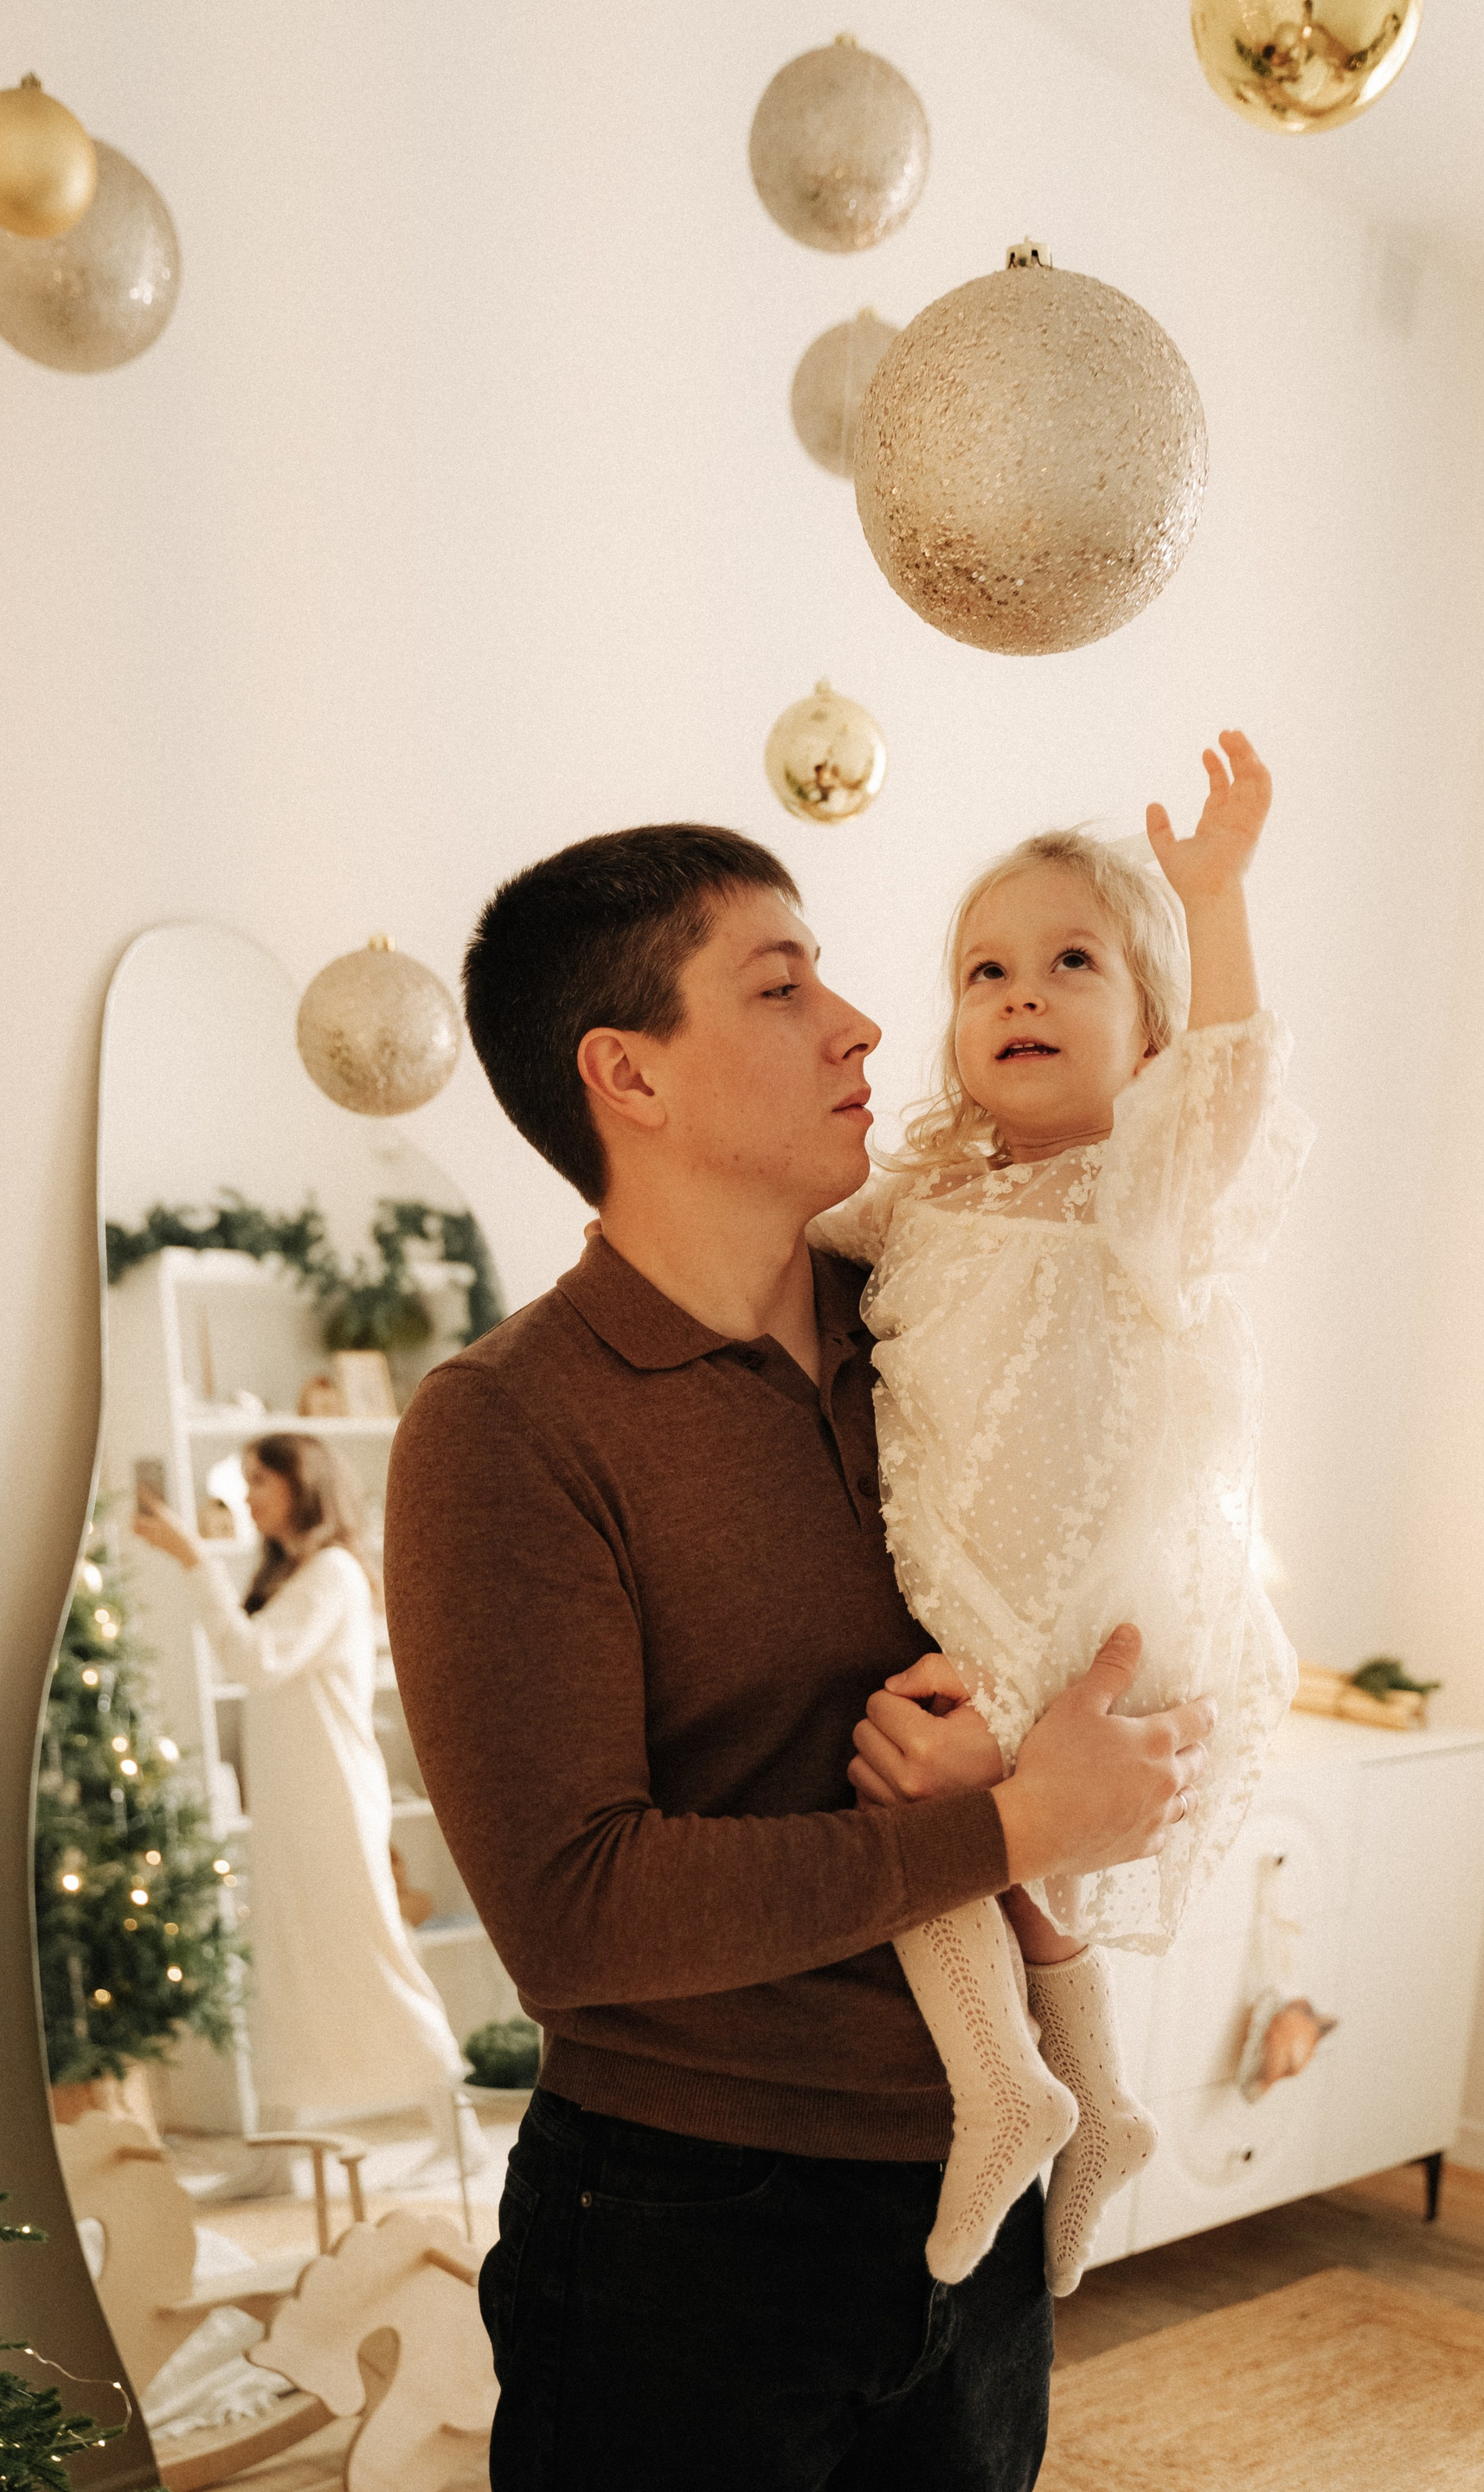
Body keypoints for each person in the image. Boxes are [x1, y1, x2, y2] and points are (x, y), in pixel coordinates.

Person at [382, 824, 1217, 2492]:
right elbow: (574, 1914)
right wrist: (1009, 1827)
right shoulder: (506, 1428)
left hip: (981, 2207)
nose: (862, 1024)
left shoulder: (945, 1303)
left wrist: (1095, 1776)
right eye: (782, 987)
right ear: (628, 1074)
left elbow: (1144, 1561)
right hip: (685, 2235)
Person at [809, 731, 1312, 2296]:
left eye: (1071, 963)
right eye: (987, 973)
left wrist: (1211, 899)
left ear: (1146, 1026)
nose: (1020, 995)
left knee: (924, 1807)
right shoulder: (923, 1195)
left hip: (1090, 1606)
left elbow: (1226, 1091)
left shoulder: (1141, 1187)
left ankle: (1010, 2091)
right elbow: (788, 1230)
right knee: (975, 1834)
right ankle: (1089, 2103)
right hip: (967, 1578)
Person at [134, 1433, 473, 2164]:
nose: (248, 1494)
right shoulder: (297, 1577)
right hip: (293, 1807)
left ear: (303, 1485)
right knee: (283, 1968)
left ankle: (460, 2136)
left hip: (331, 1805)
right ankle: (276, 2161)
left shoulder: (334, 1574)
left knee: (375, 1954)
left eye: (261, 1479)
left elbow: (253, 1659)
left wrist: (194, 1558)